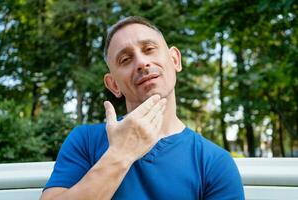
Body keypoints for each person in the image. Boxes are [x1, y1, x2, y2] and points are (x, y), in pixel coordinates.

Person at [41, 16, 244, 200]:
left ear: (175, 60)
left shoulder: (214, 162)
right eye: (125, 59)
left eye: (149, 49)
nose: (142, 62)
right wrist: (120, 154)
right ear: (113, 85)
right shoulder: (85, 141)